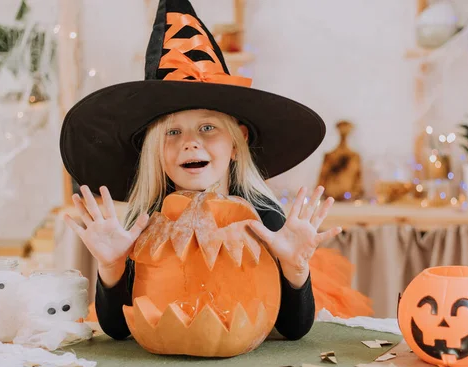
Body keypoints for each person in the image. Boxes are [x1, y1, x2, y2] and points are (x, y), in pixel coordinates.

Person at [60, 0, 372, 342]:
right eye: (173, 132)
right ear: (155, 153)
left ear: (238, 142)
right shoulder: (144, 223)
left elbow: (292, 329)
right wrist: (112, 268)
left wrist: (294, 269)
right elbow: (120, 330)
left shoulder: (262, 218)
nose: (190, 143)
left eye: (207, 128)